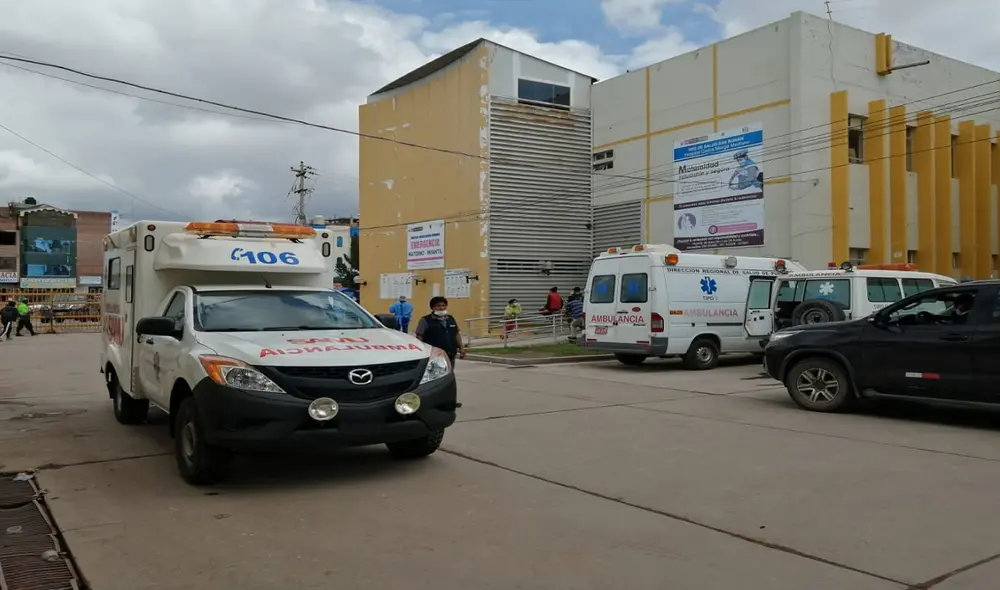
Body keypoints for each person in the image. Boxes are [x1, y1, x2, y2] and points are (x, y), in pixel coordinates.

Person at [415, 296, 465, 364]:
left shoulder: (450, 318)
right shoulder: (425, 320)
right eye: (438, 306)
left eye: (443, 305)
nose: (441, 308)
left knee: (450, 373)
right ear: (432, 307)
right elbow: (419, 337)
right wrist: (420, 352)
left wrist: (461, 348)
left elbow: (456, 334)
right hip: (434, 356)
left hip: (450, 354)